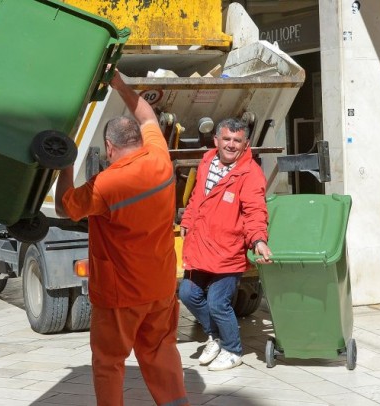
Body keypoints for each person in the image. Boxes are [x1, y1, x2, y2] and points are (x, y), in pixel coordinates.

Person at [54, 71, 188, 406]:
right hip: (159, 286)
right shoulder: (160, 159)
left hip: (121, 294)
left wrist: (66, 162)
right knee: (160, 351)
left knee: (109, 362)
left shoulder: (106, 185)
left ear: (110, 147)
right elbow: (147, 115)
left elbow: (62, 207)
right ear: (140, 142)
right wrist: (119, 84)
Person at [178, 118, 272, 371]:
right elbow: (197, 196)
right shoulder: (208, 160)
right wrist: (187, 219)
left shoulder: (250, 174)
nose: (231, 145)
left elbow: (255, 212)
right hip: (200, 246)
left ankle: (232, 349)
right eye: (227, 139)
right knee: (187, 293)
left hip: (228, 251)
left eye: (237, 140)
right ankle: (216, 336)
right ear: (216, 140)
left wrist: (259, 240)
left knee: (218, 302)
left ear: (246, 144)